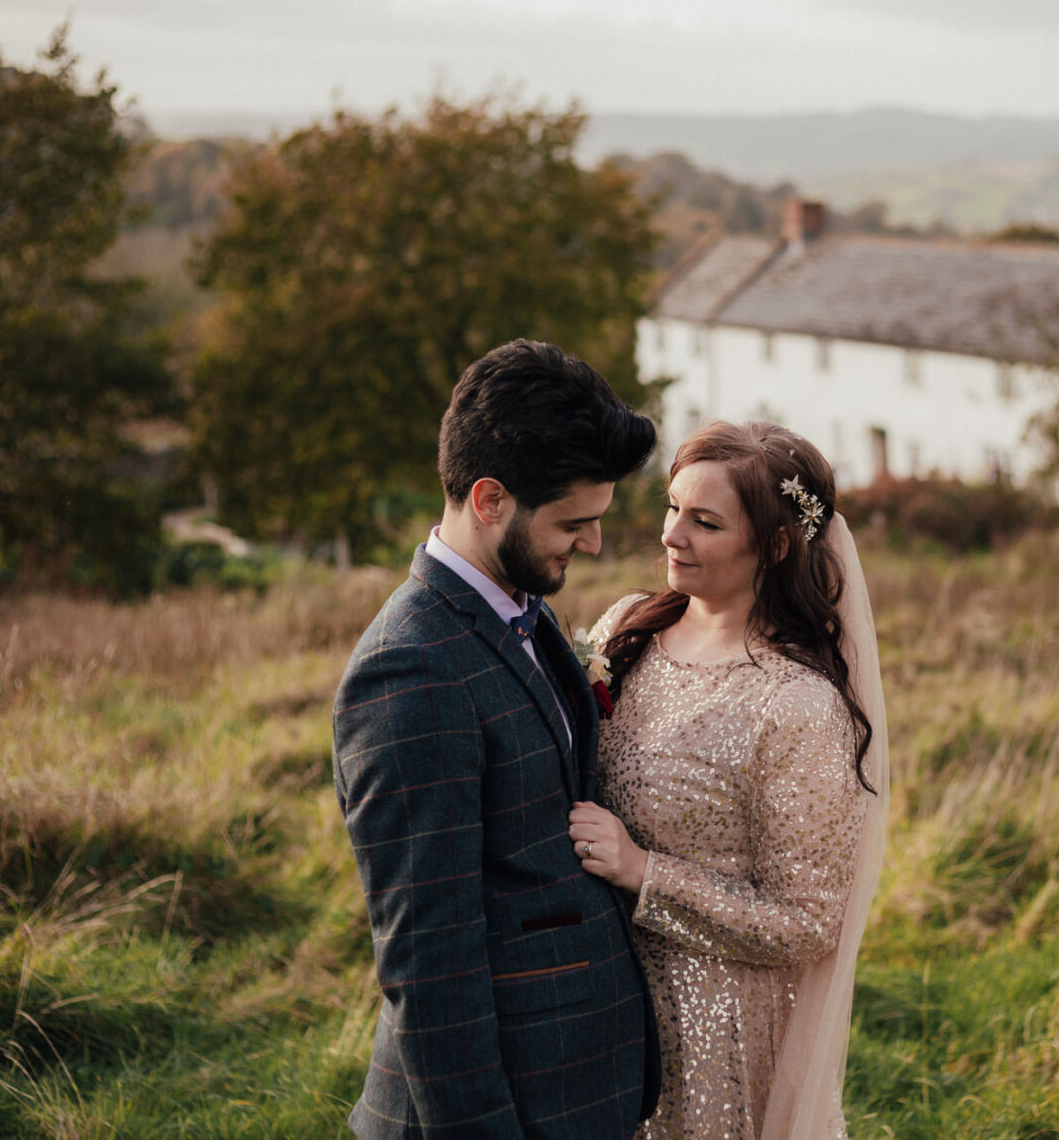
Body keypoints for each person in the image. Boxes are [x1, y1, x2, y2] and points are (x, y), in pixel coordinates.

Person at [332, 340, 662, 1139]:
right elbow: (428, 958)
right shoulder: (409, 671)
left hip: (572, 1085)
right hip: (503, 1105)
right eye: (573, 522)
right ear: (488, 499)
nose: (590, 544)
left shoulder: (521, 609)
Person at [567, 421, 889, 1140]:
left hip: (717, 1034)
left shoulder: (794, 705)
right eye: (672, 508)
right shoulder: (626, 629)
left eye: (704, 522)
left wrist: (644, 872)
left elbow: (808, 921)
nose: (672, 536)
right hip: (599, 1003)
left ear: (774, 546)